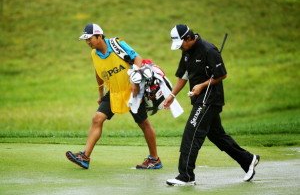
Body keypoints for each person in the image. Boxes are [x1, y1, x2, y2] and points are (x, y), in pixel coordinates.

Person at [164, 24, 260, 186]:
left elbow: (222, 74)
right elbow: (184, 75)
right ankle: (248, 159)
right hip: (200, 99)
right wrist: (172, 95)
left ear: (188, 38)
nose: (181, 48)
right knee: (216, 136)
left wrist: (201, 85)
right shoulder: (186, 52)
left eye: (181, 44)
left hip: (210, 99)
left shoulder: (209, 50)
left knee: (191, 133)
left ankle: (186, 176)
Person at [66, 23, 162, 170]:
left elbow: (138, 59)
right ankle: (85, 157)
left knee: (143, 124)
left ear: (99, 36)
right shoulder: (94, 54)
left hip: (132, 91)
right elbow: (99, 73)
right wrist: (101, 94)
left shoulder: (117, 45)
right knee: (97, 118)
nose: (87, 42)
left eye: (89, 38)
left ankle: (154, 159)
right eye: (86, 40)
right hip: (114, 92)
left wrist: (135, 83)